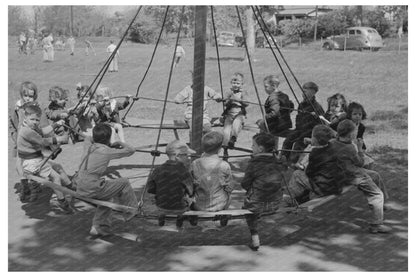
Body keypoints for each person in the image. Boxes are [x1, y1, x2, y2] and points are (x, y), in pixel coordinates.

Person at [73, 123, 139, 236]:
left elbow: (88, 138)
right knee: (124, 182)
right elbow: (131, 150)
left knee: (107, 199)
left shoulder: (88, 145)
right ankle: (131, 210)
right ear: (108, 139)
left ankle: (98, 227)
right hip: (91, 187)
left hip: (78, 185)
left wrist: (105, 143)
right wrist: (117, 143)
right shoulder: (106, 151)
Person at [330, 120, 390, 233]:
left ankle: (381, 206)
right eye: (355, 132)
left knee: (375, 175)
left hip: (342, 173)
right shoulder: (350, 148)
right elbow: (361, 163)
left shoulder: (333, 142)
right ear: (351, 135)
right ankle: (376, 225)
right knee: (377, 195)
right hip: (354, 176)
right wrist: (360, 149)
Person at [16, 104, 73, 210]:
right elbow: (43, 141)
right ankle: (61, 201)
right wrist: (60, 139)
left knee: (58, 166)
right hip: (32, 163)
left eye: (37, 120)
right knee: (55, 177)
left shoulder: (30, 126)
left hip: (37, 159)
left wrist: (56, 124)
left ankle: (71, 187)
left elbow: (42, 131)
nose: (35, 122)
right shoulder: (26, 131)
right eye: (32, 119)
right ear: (25, 117)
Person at [241, 133, 286, 251]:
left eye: (253, 145)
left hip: (256, 204)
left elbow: (245, 183)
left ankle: (254, 234)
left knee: (247, 209)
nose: (251, 147)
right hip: (275, 203)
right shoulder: (279, 162)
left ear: (260, 149)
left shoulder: (254, 163)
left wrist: (251, 189)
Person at [286, 125, 344, 204]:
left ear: (316, 140)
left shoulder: (315, 153)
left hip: (323, 188)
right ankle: (302, 196)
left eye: (312, 137)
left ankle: (291, 198)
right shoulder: (332, 146)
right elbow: (322, 144)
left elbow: (309, 172)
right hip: (335, 185)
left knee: (297, 174)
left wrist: (301, 167)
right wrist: (311, 141)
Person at [146, 140, 195, 227]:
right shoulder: (184, 171)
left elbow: (150, 188)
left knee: (166, 198)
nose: (188, 158)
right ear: (177, 156)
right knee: (191, 199)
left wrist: (162, 189)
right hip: (180, 208)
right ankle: (183, 218)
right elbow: (191, 191)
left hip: (161, 205)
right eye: (186, 155)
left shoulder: (158, 169)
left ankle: (162, 215)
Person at [282, 81, 324, 163]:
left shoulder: (317, 107)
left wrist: (315, 116)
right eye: (302, 91)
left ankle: (294, 161)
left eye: (305, 91)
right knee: (288, 139)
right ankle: (284, 157)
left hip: (309, 132)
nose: (302, 93)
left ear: (313, 92)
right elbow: (298, 117)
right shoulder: (301, 105)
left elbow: (321, 122)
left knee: (298, 145)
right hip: (299, 130)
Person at [191, 131, 233, 211]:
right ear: (220, 149)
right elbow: (230, 186)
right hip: (219, 205)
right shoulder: (224, 165)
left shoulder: (195, 163)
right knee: (229, 193)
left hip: (199, 205)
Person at [174, 71, 222, 141]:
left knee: (207, 128)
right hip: (191, 116)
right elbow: (177, 98)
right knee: (194, 129)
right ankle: (193, 146)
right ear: (192, 79)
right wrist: (179, 100)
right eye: (194, 79)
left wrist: (217, 97)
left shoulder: (206, 88)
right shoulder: (188, 89)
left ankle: (206, 146)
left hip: (203, 116)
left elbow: (216, 95)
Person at [222, 72, 249, 148]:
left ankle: (233, 138)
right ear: (231, 83)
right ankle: (226, 144)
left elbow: (247, 103)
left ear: (241, 84)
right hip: (230, 113)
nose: (235, 85)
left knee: (236, 124)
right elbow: (225, 103)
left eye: (238, 83)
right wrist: (229, 100)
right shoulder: (229, 92)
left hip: (239, 113)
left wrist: (238, 100)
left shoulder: (243, 92)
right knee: (226, 130)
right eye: (234, 83)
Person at [346, 101, 374, 168]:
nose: (357, 116)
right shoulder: (347, 125)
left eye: (360, 114)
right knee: (362, 161)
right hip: (348, 146)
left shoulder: (361, 127)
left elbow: (360, 138)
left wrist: (363, 148)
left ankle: (367, 174)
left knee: (369, 161)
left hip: (357, 146)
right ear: (350, 115)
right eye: (355, 114)